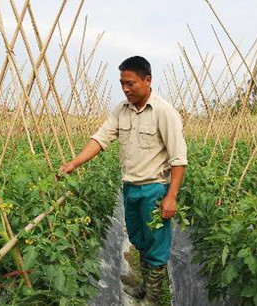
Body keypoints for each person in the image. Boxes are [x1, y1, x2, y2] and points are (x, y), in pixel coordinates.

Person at [61, 56, 187, 305]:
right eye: (122, 84)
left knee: (157, 245)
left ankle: (152, 297)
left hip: (155, 189)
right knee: (140, 240)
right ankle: (143, 286)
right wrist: (74, 163)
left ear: (147, 80)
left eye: (130, 83)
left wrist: (171, 196)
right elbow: (100, 138)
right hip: (130, 189)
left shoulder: (164, 112)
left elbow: (178, 160)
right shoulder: (121, 111)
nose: (125, 89)